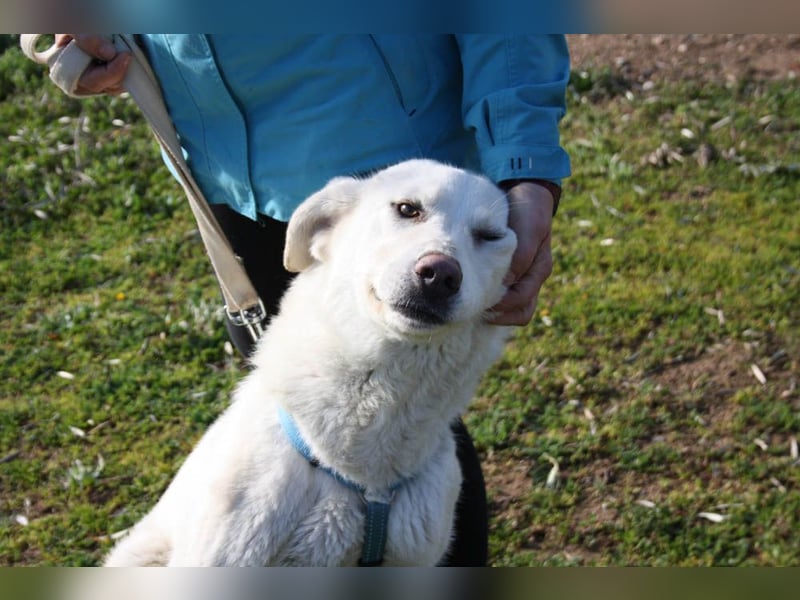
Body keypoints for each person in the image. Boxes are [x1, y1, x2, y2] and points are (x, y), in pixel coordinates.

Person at [54, 34, 572, 566]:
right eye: (410, 214)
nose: (439, 265)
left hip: (387, 123)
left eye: (489, 240)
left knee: (412, 412)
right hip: (223, 163)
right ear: (322, 230)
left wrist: (526, 165)